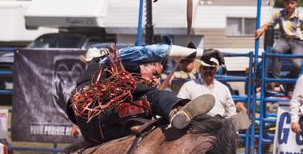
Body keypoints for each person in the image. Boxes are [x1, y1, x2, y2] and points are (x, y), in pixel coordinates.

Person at [68, 44, 218, 145]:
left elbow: (72, 108)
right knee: (153, 97)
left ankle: (188, 120)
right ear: (141, 64)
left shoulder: (94, 80)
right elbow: (157, 50)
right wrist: (202, 54)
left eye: (159, 76)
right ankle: (180, 113)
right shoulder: (114, 59)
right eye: (154, 73)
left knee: (148, 111)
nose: (155, 80)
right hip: (101, 118)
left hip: (96, 134)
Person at [255, 0, 303, 91]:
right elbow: (269, 23)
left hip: (297, 41)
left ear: (296, 4)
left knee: (298, 64)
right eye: (287, 3)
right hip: (284, 39)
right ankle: (276, 81)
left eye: (292, 3)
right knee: (276, 50)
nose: (289, 6)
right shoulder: (279, 14)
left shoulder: (301, 17)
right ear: (284, 4)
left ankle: (288, 83)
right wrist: (262, 29)